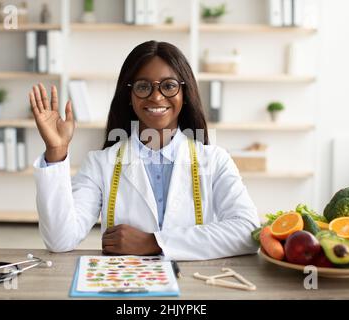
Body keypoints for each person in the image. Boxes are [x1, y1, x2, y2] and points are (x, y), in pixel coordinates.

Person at [29, 40, 260, 261]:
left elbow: (248, 232)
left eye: (169, 86)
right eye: (143, 86)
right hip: (127, 290)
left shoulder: (215, 160)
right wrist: (56, 150)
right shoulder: (101, 163)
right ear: (129, 95)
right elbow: (60, 240)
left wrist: (154, 242)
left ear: (184, 94)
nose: (156, 96)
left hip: (194, 288)